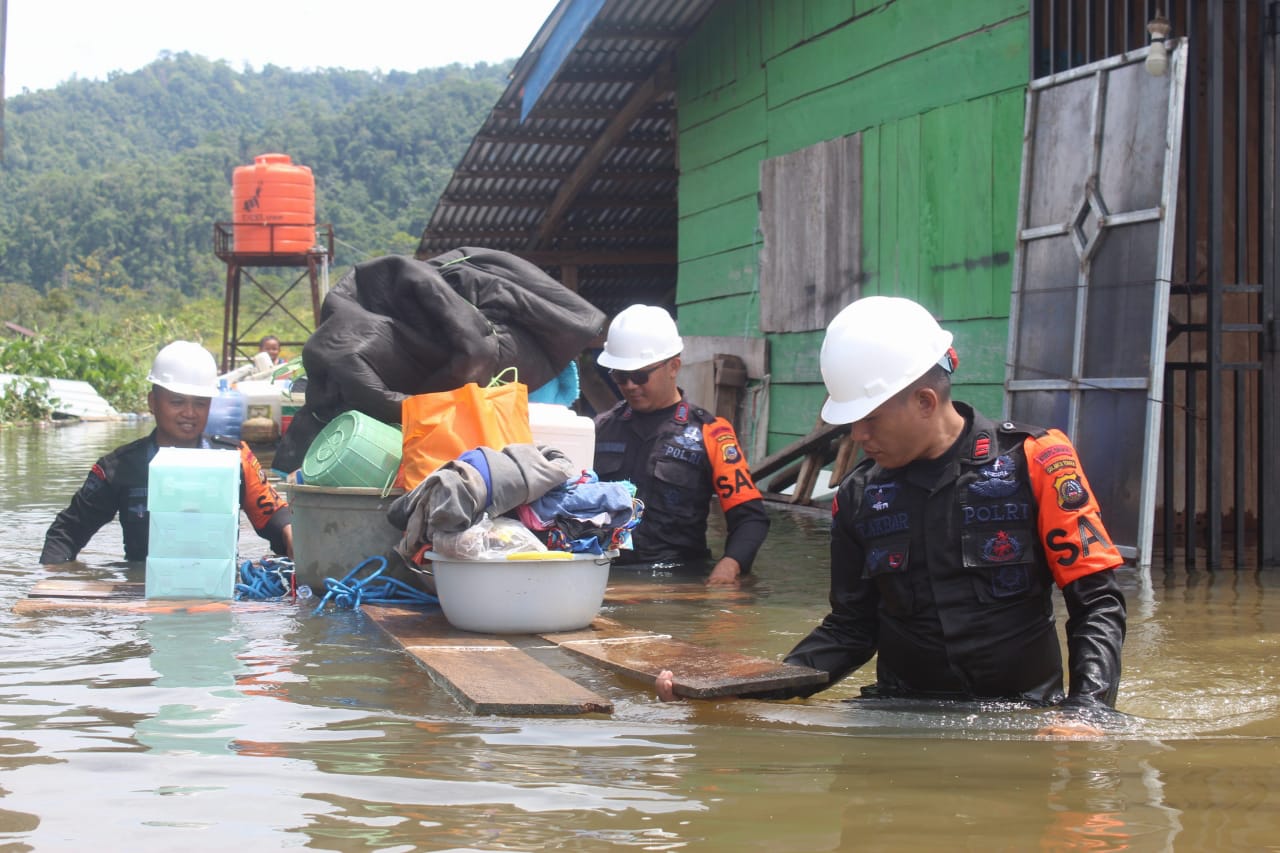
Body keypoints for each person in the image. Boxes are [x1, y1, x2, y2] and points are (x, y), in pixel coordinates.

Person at [656, 296, 1127, 718]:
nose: (857, 436)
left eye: (870, 419)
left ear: (924, 401)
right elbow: (850, 630)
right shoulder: (857, 497)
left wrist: (1087, 712)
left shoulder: (1036, 461)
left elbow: (1096, 601)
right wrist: (742, 689)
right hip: (897, 717)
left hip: (1022, 719)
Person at [40, 341, 294, 564]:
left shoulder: (235, 458)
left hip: (218, 585)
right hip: (143, 589)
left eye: (200, 403)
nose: (189, 413)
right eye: (177, 402)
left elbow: (272, 514)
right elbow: (67, 533)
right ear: (153, 402)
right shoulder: (119, 467)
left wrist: (290, 532)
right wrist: (55, 578)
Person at [593, 304, 769, 586]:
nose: (630, 385)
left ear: (673, 366)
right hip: (605, 572)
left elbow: (750, 518)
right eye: (620, 376)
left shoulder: (711, 433)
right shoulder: (598, 430)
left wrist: (730, 565)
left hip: (679, 579)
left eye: (640, 375)